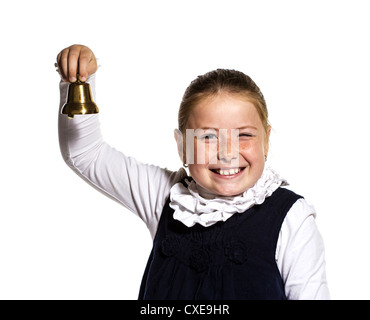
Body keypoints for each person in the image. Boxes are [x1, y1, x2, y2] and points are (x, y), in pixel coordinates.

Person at [56, 44, 330, 300]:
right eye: (208, 137)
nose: (227, 153)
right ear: (182, 147)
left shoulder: (291, 218)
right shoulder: (167, 197)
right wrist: (78, 82)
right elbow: (85, 154)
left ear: (266, 140)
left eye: (244, 134)